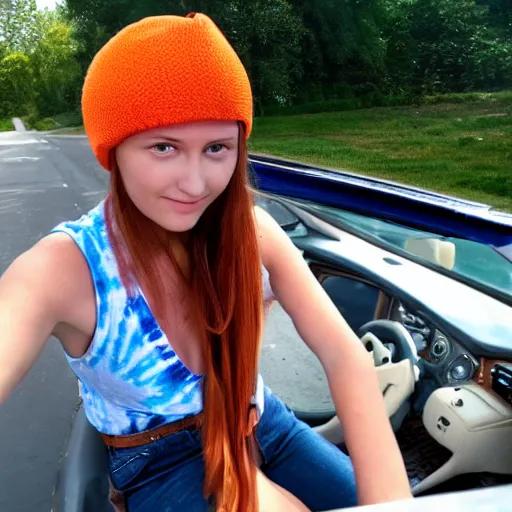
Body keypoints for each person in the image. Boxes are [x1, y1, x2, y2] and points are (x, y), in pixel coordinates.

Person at [0, 12, 412, 512]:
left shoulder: (252, 232)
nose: (195, 185)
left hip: (262, 423)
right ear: (114, 150)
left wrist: (391, 505)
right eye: (164, 147)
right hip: (160, 462)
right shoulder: (62, 269)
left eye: (217, 147)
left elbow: (346, 357)